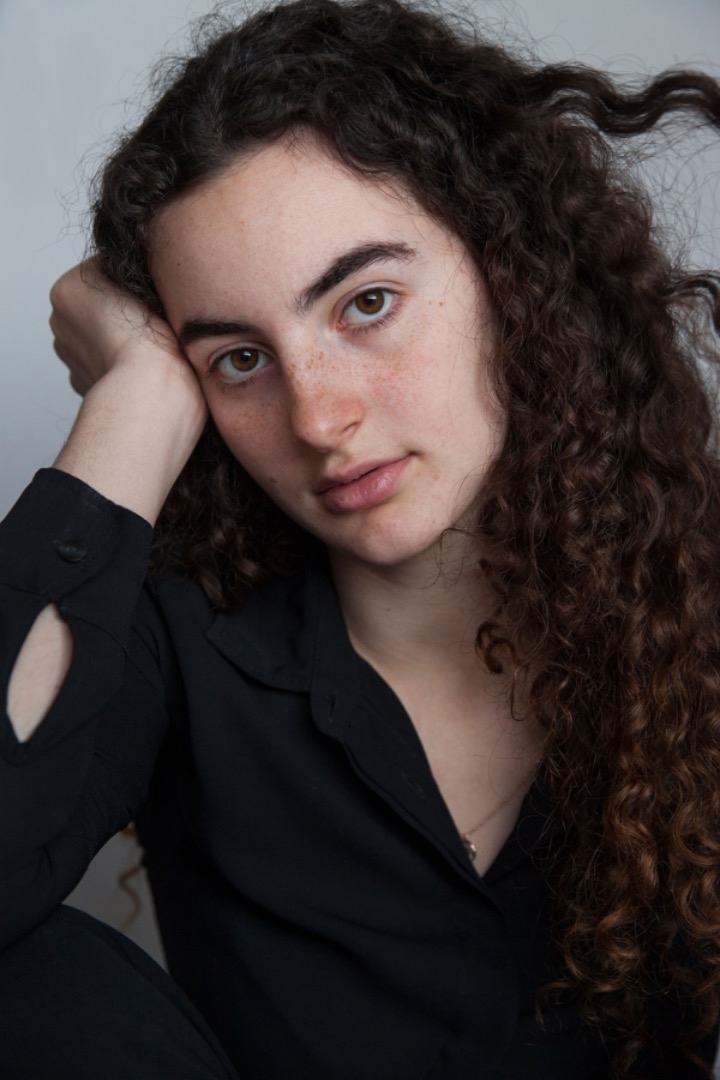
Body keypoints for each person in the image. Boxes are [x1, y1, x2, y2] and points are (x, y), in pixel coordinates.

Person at [1, 0, 719, 1075]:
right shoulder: (175, 630)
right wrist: (134, 401)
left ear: (511, 271)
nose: (318, 418)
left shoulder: (693, 601)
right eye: (239, 359)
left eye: (367, 303)